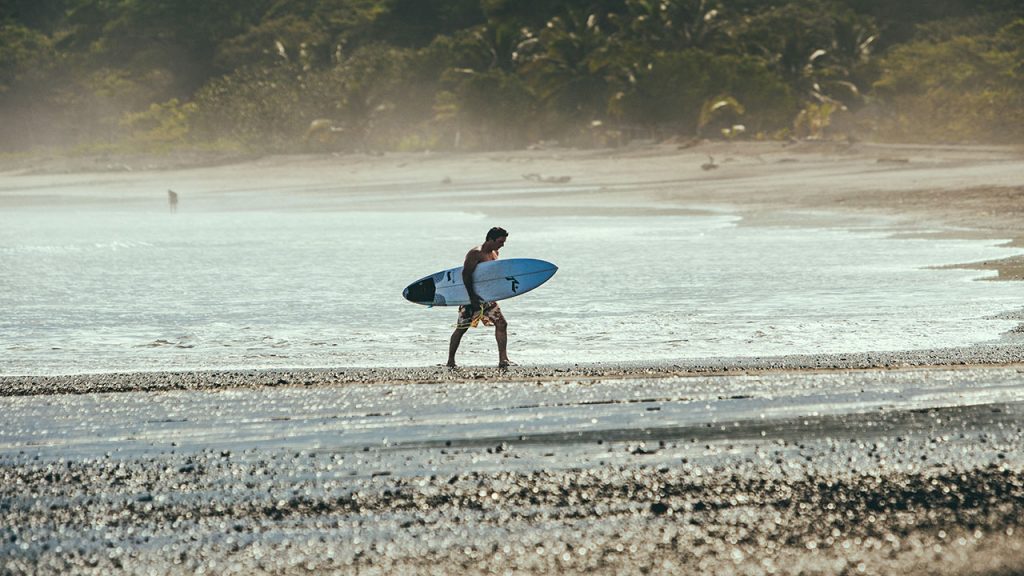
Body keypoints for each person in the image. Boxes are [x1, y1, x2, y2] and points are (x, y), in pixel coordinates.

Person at [447, 227, 511, 369]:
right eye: (500, 241)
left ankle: (503, 359)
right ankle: (450, 361)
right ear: (490, 239)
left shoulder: (495, 253)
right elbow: (466, 275)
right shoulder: (475, 253)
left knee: (502, 324)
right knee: (462, 328)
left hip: (487, 298)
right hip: (471, 298)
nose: (502, 244)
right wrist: (472, 298)